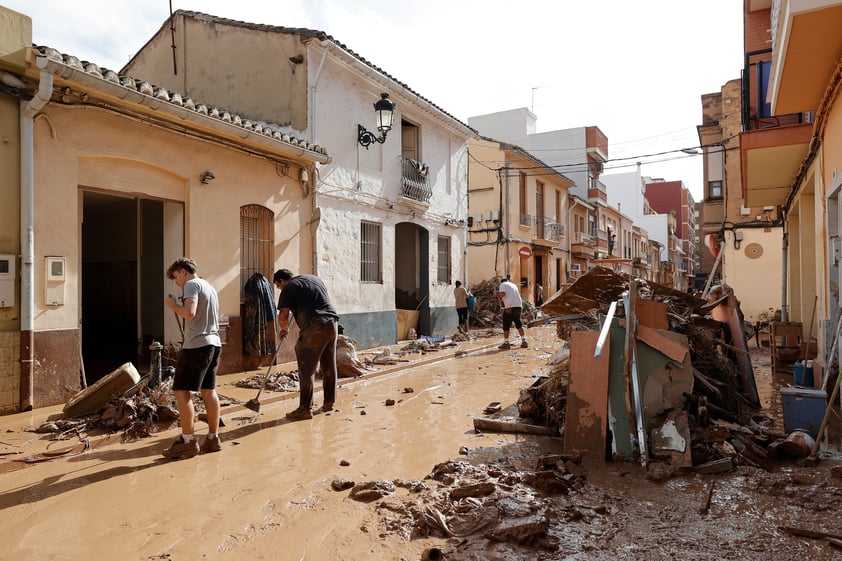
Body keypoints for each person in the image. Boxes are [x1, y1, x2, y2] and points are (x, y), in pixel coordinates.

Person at [161, 258, 222, 459]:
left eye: (175, 277)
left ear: (183, 271)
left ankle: (187, 441)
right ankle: (213, 438)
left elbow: (189, 312)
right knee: (208, 390)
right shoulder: (209, 287)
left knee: (181, 390)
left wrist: (172, 305)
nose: (176, 282)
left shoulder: (192, 284)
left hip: (197, 345)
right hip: (214, 343)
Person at [274, 268, 340, 421]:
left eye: (278, 286)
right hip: (332, 323)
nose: (280, 289)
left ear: (282, 280)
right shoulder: (314, 279)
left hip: (315, 326)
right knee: (328, 365)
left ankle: (305, 408)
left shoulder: (289, 287)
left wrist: (284, 330)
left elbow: (283, 316)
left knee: (306, 368)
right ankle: (329, 402)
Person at [496, 276, 527, 349]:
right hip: (518, 306)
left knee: (506, 325)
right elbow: (512, 297)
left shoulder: (503, 284)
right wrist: (505, 308)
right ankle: (524, 341)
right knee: (518, 323)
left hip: (510, 307)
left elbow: (502, 294)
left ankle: (506, 343)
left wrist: (497, 294)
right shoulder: (513, 285)